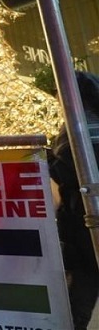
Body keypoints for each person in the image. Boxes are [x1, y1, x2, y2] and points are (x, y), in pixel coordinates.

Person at [48, 71, 99, 330]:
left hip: (84, 222)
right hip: (84, 220)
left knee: (79, 299)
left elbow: (65, 173)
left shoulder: (76, 129)